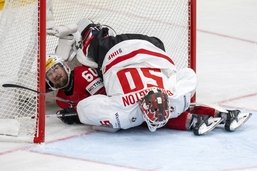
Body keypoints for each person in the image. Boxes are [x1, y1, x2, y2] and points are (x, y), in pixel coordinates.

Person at [49, 19, 252, 135]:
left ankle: (88, 32)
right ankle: (88, 33)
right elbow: (91, 108)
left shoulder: (175, 97)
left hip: (154, 47)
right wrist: (82, 115)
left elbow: (187, 75)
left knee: (90, 50)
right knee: (89, 50)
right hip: (122, 51)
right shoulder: (125, 111)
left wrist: (79, 114)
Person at [45, 54, 106, 124]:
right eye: (49, 74)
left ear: (64, 66)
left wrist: (79, 116)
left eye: (56, 68)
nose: (54, 75)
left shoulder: (84, 75)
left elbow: (106, 103)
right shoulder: (60, 100)